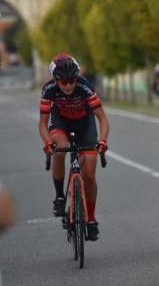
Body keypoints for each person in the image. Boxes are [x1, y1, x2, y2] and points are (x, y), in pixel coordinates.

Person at [39, 53, 109, 241]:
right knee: (59, 148)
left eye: (72, 80)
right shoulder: (49, 89)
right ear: (55, 80)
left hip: (84, 125)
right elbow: (43, 124)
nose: (69, 85)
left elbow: (102, 119)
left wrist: (102, 140)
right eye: (64, 81)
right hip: (60, 123)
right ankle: (59, 196)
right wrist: (47, 142)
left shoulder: (84, 86)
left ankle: (91, 219)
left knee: (89, 174)